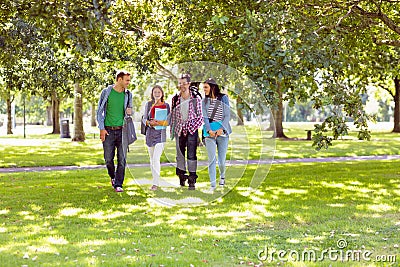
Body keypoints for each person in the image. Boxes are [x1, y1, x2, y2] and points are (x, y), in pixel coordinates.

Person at [96, 70, 133, 193]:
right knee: (108, 159)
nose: (129, 82)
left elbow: (129, 111)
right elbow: (99, 111)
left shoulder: (128, 94)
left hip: (122, 130)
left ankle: (118, 184)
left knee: (122, 159)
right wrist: (101, 128)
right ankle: (113, 176)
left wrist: (129, 112)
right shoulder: (106, 92)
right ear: (119, 79)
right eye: (127, 80)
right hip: (108, 131)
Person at [170, 73, 203, 190]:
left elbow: (200, 117)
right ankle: (181, 177)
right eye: (180, 83)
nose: (182, 85)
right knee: (180, 156)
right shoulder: (175, 99)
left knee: (191, 155)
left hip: (191, 131)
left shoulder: (196, 99)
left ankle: (192, 179)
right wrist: (172, 131)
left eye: (184, 83)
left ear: (189, 84)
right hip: (179, 131)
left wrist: (191, 127)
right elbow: (173, 116)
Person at [201, 78, 232, 190]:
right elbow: (205, 118)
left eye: (206, 87)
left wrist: (221, 129)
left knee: (222, 161)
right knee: (211, 159)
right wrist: (209, 131)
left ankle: (222, 177)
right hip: (210, 133)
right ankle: (213, 185)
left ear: (212, 87)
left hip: (222, 132)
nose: (204, 89)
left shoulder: (223, 98)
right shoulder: (204, 101)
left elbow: (227, 115)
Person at [142, 85, 170, 191]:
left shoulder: (166, 105)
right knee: (151, 159)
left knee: (156, 158)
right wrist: (150, 123)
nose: (157, 94)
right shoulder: (148, 104)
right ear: (152, 94)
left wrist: (159, 122)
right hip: (150, 134)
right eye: (155, 92)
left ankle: (155, 183)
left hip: (161, 135)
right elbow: (144, 119)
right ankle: (155, 180)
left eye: (159, 92)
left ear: (162, 93)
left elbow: (169, 121)